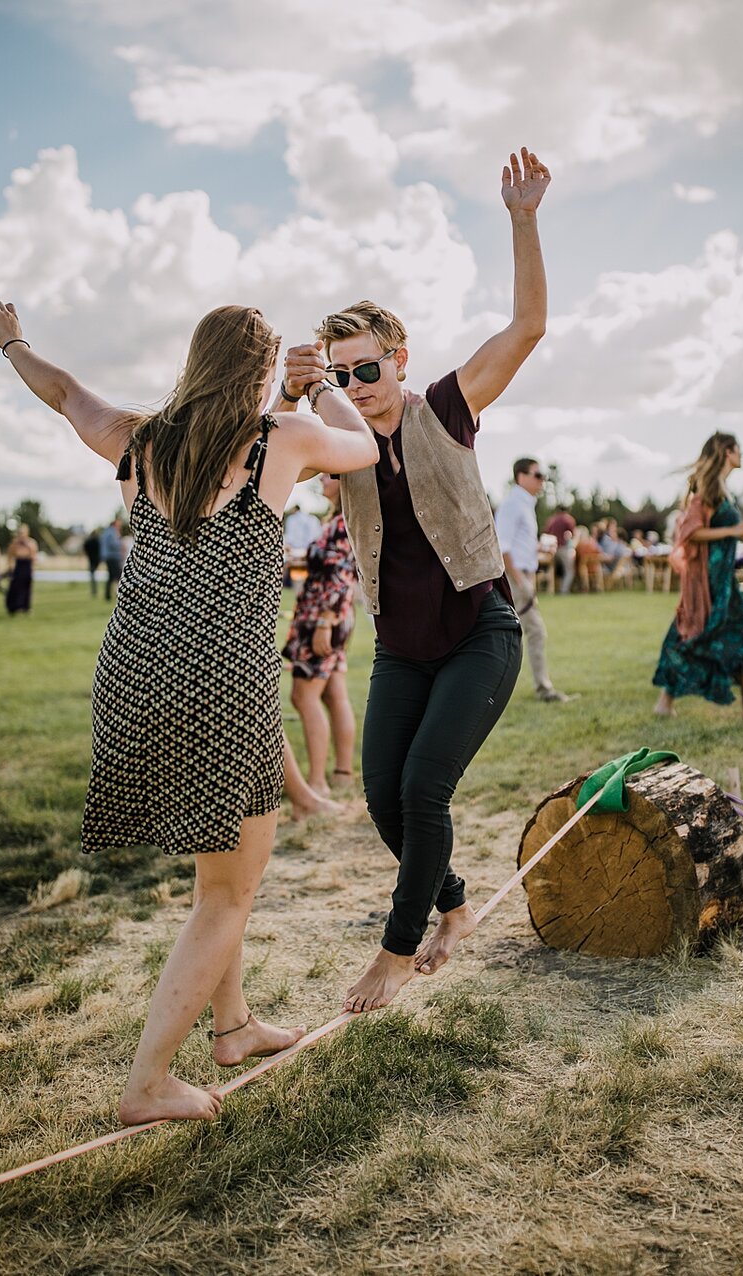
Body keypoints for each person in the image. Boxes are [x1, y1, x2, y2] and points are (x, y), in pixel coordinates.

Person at [0, 298, 377, 1125]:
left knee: (215, 876)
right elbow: (365, 447)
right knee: (228, 893)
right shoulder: (281, 438)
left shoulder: (141, 438)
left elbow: (62, 392)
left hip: (130, 676)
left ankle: (231, 1027)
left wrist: (12, 342)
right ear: (261, 371)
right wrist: (328, 384)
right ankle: (148, 1083)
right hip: (219, 689)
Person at [282, 146, 549, 1015]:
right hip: (401, 648)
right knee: (385, 803)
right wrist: (288, 392)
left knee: (424, 789)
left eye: (369, 368)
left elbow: (526, 331)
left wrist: (521, 220)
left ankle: (393, 957)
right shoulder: (335, 435)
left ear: (398, 357)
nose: (358, 385)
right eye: (343, 374)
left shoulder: (446, 405)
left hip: (479, 635)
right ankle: (456, 908)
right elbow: (273, 448)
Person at [652, 433, 743, 721]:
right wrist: (734, 531)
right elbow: (690, 532)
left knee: (730, 633)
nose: (742, 454)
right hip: (709, 579)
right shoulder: (709, 488)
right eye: (738, 449)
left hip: (722, 577)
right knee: (701, 634)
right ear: (727, 452)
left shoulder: (721, 487)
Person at [282, 474, 358, 796]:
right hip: (331, 616)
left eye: (330, 475)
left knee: (304, 696)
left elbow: (342, 575)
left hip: (322, 618)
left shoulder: (343, 523)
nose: (322, 479)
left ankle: (316, 784)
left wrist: (326, 620)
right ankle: (342, 773)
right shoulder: (342, 519)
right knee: (333, 694)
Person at [496, 459, 570, 702]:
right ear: (521, 476)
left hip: (523, 576)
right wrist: (521, 581)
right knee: (530, 633)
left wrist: (539, 548)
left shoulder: (524, 504)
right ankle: (543, 689)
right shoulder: (513, 504)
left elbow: (517, 544)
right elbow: (503, 545)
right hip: (516, 579)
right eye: (537, 475)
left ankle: (539, 688)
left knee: (516, 635)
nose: (542, 480)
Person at [5, 523, 38, 614]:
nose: (21, 535)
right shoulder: (15, 543)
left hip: (27, 565)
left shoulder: (31, 543)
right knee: (16, 586)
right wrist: (10, 567)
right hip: (19, 565)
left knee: (26, 587)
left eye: (23, 533)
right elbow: (10, 555)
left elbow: (34, 556)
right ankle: (14, 607)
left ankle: (25, 607)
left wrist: (33, 568)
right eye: (20, 533)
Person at [544, 504, 576, 594]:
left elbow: (546, 532)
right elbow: (573, 534)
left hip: (552, 549)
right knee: (569, 570)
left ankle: (550, 589)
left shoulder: (551, 520)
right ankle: (564, 590)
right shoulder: (568, 519)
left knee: (552, 569)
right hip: (563, 548)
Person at [99, 517, 125, 601]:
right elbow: (113, 544)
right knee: (118, 576)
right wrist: (121, 545)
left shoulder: (106, 532)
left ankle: (108, 595)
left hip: (109, 557)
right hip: (113, 557)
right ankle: (120, 593)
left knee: (110, 576)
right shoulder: (112, 532)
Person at [83, 528, 102, 596]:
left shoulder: (89, 541)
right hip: (96, 560)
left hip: (91, 560)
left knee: (93, 576)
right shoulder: (98, 541)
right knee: (94, 576)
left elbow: (85, 548)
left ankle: (94, 591)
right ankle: (94, 591)